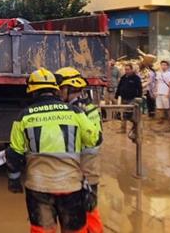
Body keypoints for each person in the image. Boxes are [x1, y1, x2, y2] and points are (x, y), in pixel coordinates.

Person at [6, 68, 100, 233]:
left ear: (32, 92)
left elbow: (14, 153)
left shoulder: (24, 117)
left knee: (42, 230)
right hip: (71, 186)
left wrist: (14, 180)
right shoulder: (76, 112)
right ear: (56, 89)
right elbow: (94, 139)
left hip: (38, 187)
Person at [55, 67, 104, 233]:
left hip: (85, 171)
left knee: (86, 214)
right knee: (83, 215)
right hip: (78, 171)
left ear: (69, 88)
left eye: (60, 89)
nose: (59, 92)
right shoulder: (79, 108)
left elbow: (94, 140)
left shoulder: (84, 110)